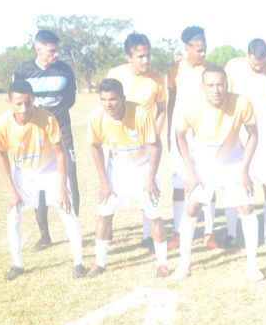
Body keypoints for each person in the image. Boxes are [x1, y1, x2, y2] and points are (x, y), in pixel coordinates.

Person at [172, 65, 263, 281]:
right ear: (202, 87)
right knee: (192, 207)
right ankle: (184, 264)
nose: (216, 90)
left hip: (233, 161)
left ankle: (252, 264)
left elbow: (253, 135)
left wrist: (244, 170)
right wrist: (191, 172)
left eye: (220, 84)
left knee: (246, 207)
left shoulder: (242, 102)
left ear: (227, 85)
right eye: (211, 85)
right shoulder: (190, 106)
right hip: (203, 162)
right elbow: (180, 136)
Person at [0, 80, 86, 280]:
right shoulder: (2, 123)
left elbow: (61, 155)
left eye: (28, 103)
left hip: (50, 170)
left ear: (33, 99)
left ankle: (79, 262)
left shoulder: (47, 118)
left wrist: (62, 189)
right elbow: (1, 155)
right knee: (14, 215)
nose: (24, 108)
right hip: (23, 173)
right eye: (18, 104)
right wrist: (12, 191)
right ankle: (17, 264)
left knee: (67, 211)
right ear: (9, 101)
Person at [85, 78, 169, 278]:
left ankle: (163, 264)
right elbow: (94, 146)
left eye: (113, 99)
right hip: (117, 169)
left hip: (143, 168)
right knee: (104, 213)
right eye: (103, 99)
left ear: (122, 99)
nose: (108, 104)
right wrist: (104, 181)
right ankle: (99, 263)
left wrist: (150, 178)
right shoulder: (97, 116)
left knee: (154, 215)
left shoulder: (141, 113)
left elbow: (156, 145)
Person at [13, 29, 80, 251]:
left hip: (62, 130)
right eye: (51, 51)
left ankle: (75, 231)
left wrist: (54, 117)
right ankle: (45, 236)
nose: (56, 55)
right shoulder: (22, 72)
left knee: (70, 176)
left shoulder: (65, 71)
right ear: (38, 49)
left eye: (57, 50)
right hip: (35, 135)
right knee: (38, 183)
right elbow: (19, 102)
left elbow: (69, 99)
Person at [224, 38, 266, 250]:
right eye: (255, 62)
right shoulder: (233, 67)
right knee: (235, 185)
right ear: (248, 55)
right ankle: (231, 233)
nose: (259, 66)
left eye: (262, 62)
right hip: (239, 134)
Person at [106, 32, 168, 250]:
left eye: (148, 56)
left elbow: (162, 109)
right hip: (117, 143)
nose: (146, 61)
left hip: (145, 144)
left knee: (149, 189)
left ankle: (148, 236)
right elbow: (106, 106)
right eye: (140, 56)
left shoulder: (158, 79)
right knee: (111, 189)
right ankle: (107, 232)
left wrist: (154, 135)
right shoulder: (115, 74)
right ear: (128, 56)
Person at [167, 26, 218, 250]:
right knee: (179, 183)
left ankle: (210, 233)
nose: (202, 54)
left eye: (204, 50)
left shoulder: (209, 71)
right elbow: (171, 101)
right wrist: (169, 132)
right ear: (186, 48)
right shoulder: (174, 71)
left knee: (208, 181)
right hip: (180, 132)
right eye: (198, 50)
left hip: (204, 132)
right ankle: (178, 232)